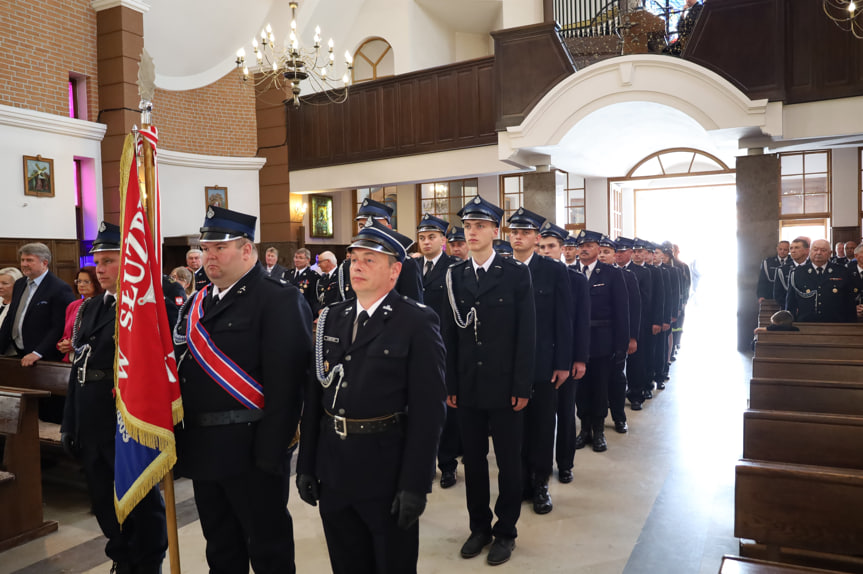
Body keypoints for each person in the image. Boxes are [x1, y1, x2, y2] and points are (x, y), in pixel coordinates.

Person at [296, 218, 446, 574]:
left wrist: (415, 483)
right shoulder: (333, 317)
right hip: (334, 467)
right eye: (354, 259)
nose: (357, 267)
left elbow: (429, 411)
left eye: (369, 260)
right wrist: (306, 464)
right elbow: (316, 397)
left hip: (386, 469)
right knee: (346, 563)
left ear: (394, 271)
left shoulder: (416, 322)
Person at [173, 206, 312, 573]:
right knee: (220, 548)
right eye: (205, 249)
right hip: (203, 446)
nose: (209, 257)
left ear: (247, 250)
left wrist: (271, 453)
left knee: (268, 550)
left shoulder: (278, 298)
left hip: (252, 449)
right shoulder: (198, 302)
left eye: (220, 248)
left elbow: (288, 385)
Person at [60, 222, 167, 574]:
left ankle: (147, 560)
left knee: (139, 498)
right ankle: (121, 556)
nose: (99, 269)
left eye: (108, 261)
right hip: (90, 419)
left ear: (130, 261)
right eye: (97, 261)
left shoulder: (143, 307)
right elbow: (80, 367)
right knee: (102, 498)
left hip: (125, 420)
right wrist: (69, 423)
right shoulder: (91, 307)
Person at [442, 196, 536, 566]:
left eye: (480, 226)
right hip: (467, 385)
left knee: (509, 461)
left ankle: (506, 531)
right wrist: (450, 383)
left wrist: (521, 386)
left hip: (504, 385)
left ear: (496, 232)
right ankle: (479, 526)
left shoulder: (515, 274)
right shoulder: (456, 276)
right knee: (474, 462)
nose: (472, 232)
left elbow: (526, 334)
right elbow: (448, 334)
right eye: (467, 226)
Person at [508, 211, 572, 515]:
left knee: (543, 425)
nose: (518, 237)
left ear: (536, 238)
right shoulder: (501, 269)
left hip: (542, 362)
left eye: (525, 232)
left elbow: (564, 319)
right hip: (507, 365)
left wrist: (562, 362)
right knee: (513, 427)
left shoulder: (552, 271)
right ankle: (519, 480)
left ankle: (540, 482)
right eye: (513, 232)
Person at [539, 222, 589, 484]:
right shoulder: (531, 276)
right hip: (542, 359)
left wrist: (579, 358)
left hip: (567, 358)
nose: (546, 251)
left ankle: (565, 463)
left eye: (551, 247)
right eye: (542, 247)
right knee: (543, 420)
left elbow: (580, 322)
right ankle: (542, 467)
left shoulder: (576, 280)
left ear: (562, 249)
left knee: (566, 414)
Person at [416, 213, 462, 489]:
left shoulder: (453, 268)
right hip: (416, 347)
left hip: (443, 345)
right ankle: (425, 462)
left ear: (443, 240)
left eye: (431, 237)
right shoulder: (411, 267)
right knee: (420, 409)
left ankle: (448, 464)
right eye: (422, 238)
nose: (426, 242)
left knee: (446, 408)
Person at [572, 230, 628, 453]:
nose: (584, 249)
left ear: (598, 248)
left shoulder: (612, 274)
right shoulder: (571, 272)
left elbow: (622, 312)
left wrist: (621, 345)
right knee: (581, 389)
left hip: (602, 341)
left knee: (599, 387)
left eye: (589, 245)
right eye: (581, 245)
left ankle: (598, 430)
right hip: (577, 342)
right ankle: (584, 429)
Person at [335, 199, 424, 304]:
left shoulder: (404, 264)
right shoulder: (347, 266)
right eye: (361, 226)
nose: (367, 229)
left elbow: (413, 309)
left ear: (389, 228)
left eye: (374, 224)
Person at [0, 242, 75, 367]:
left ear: (44, 263)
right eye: (23, 260)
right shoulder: (19, 284)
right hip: (17, 352)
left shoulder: (59, 288)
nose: (24, 264)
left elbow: (59, 326)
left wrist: (38, 352)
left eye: (29, 260)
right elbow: (10, 318)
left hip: (43, 357)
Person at [598, 237, 638, 434]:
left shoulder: (626, 276)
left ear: (615, 255)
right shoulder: (589, 275)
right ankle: (595, 423)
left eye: (607, 252)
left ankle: (619, 417)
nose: (603, 255)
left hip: (617, 339)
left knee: (616, 379)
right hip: (597, 340)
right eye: (601, 251)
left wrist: (631, 338)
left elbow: (632, 310)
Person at [786, 238, 856, 323]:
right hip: (806, 325)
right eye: (815, 250)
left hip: (836, 324)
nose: (818, 253)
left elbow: (850, 303)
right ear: (810, 252)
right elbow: (791, 303)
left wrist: (851, 325)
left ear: (830, 253)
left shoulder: (842, 272)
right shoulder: (797, 273)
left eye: (823, 250)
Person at [627, 238, 661, 409]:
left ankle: (638, 391)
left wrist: (656, 320)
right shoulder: (627, 271)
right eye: (636, 251)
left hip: (642, 320)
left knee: (641, 357)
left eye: (642, 251)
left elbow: (650, 300)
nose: (638, 254)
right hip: (623, 320)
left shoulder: (646, 273)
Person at [57, 266, 102, 362]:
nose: (81, 285)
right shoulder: (73, 306)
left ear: (97, 282)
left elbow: (100, 338)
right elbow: (67, 333)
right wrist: (63, 343)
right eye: (79, 281)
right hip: (71, 359)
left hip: (92, 359)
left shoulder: (103, 305)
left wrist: (76, 345)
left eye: (86, 282)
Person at [773, 237, 809, 308]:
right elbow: (778, 294)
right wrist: (791, 307)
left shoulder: (812, 267)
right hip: (789, 311)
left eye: (797, 248)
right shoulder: (782, 270)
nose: (793, 251)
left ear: (806, 250)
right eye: (791, 248)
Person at [288, 247, 320, 315]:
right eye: (296, 257)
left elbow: (313, 298)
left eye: (300, 258)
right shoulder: (287, 274)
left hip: (304, 312)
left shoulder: (313, 276)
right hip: (288, 310)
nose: (297, 260)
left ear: (308, 260)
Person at [0, 267, 24, 344]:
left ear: (17, 285)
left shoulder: (21, 305)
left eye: (5, 283)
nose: (0, 286)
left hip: (11, 351)